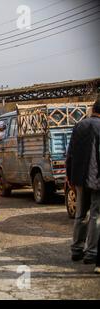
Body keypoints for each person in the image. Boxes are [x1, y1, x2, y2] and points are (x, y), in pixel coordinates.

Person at [66, 99, 100, 267]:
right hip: (97, 179)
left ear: (93, 109)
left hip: (79, 178)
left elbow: (70, 154)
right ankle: (92, 253)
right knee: (95, 215)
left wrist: (70, 177)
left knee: (80, 214)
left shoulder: (79, 125)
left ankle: (76, 250)